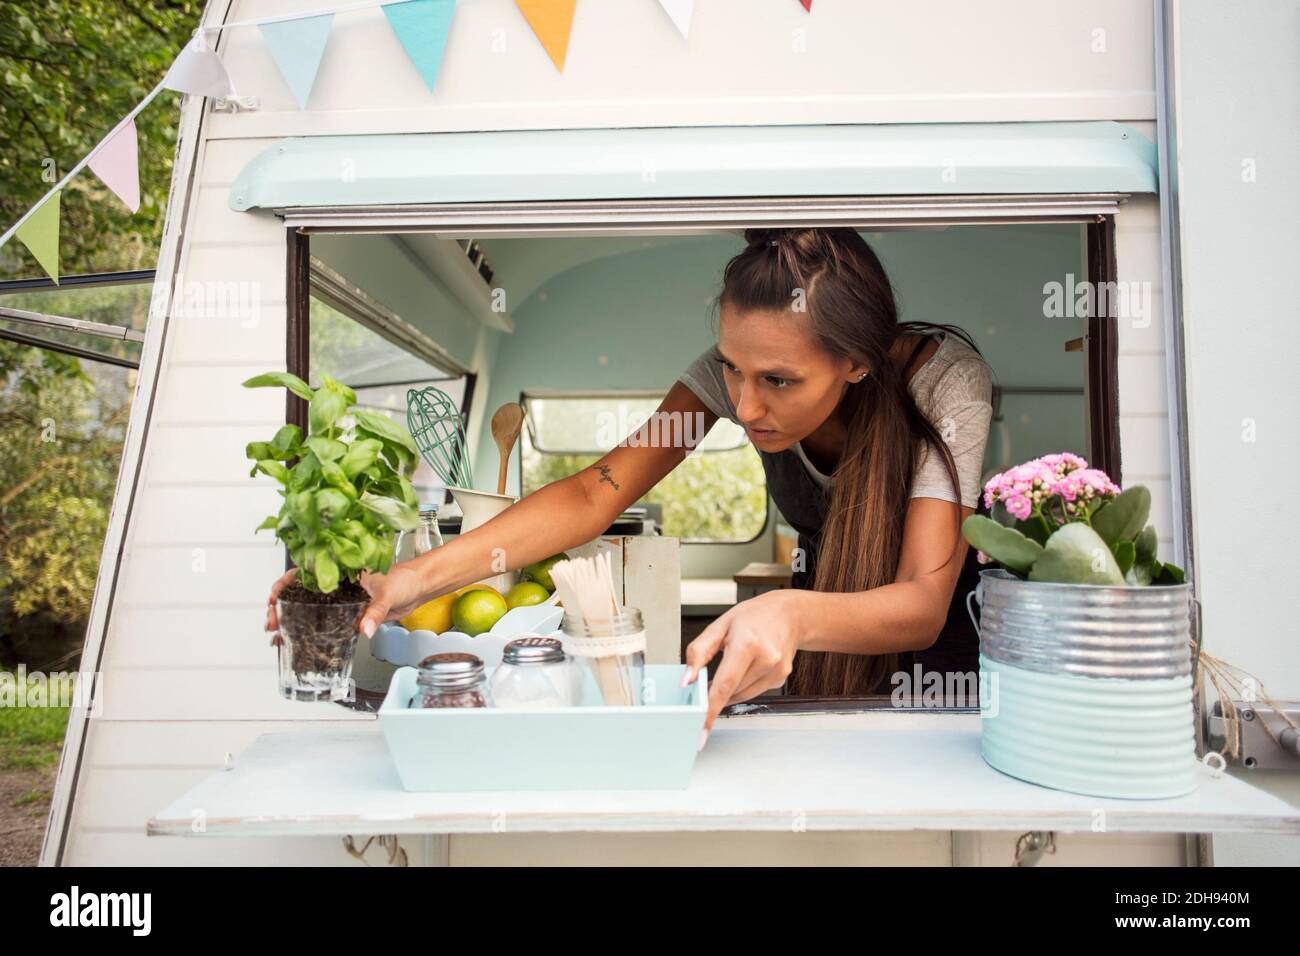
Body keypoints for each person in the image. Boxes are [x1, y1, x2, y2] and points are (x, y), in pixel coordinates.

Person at [265, 228, 994, 748]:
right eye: (733, 370)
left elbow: (922, 605)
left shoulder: (944, 382)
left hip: (923, 654)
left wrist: (790, 615)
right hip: (812, 606)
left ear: (857, 364)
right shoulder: (735, 375)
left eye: (778, 381)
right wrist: (407, 581)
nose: (743, 407)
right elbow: (593, 495)